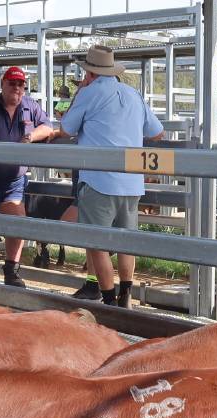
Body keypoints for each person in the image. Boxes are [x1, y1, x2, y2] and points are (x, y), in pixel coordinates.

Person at [56, 45, 164, 308]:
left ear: (90, 73)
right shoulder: (132, 94)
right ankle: (126, 296)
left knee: (97, 243)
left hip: (99, 181)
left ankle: (108, 300)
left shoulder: (89, 93)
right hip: (131, 181)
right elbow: (157, 132)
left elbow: (66, 128)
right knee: (127, 241)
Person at [0, 66, 54, 287]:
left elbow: (48, 127)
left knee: (17, 222)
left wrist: (30, 136)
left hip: (13, 179)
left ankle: (12, 270)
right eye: (12, 83)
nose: (17, 88)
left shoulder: (31, 106)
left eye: (21, 85)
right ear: (2, 84)